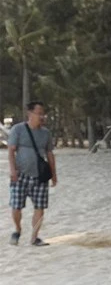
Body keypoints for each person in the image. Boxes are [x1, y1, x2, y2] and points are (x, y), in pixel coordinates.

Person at [8, 101, 57, 246]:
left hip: (40, 176)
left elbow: (50, 154)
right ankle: (17, 230)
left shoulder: (46, 133)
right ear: (30, 113)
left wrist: (54, 174)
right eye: (39, 113)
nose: (42, 116)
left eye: (43, 114)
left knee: (40, 207)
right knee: (16, 206)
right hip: (20, 174)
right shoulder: (18, 129)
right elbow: (11, 151)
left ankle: (34, 237)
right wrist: (12, 170)